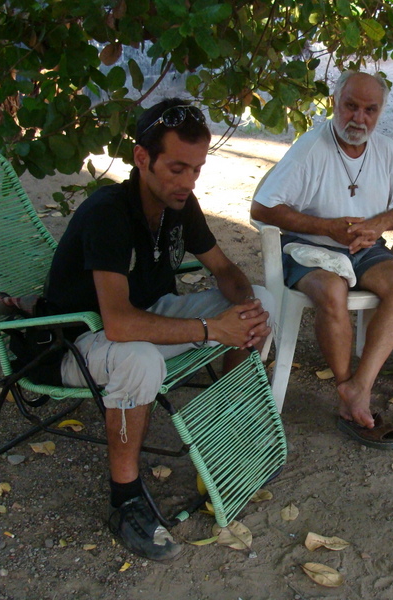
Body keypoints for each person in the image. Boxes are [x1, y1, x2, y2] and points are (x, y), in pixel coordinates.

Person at [45, 98, 272, 560]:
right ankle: (125, 500)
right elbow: (118, 322)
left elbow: (224, 270)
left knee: (258, 302)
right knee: (140, 360)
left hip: (147, 317)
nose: (188, 182)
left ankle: (229, 433)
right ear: (142, 158)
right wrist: (212, 329)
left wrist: (246, 306)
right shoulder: (108, 213)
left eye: (197, 169)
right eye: (177, 168)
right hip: (75, 342)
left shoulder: (178, 204)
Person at [251, 71, 393, 442]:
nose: (359, 118)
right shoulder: (310, 148)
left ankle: (361, 386)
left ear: (380, 112)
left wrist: (378, 223)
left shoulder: (386, 150)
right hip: (309, 249)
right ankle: (347, 389)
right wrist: (325, 227)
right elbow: (262, 208)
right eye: (351, 106)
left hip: (365, 248)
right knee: (332, 291)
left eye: (369, 110)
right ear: (334, 102)